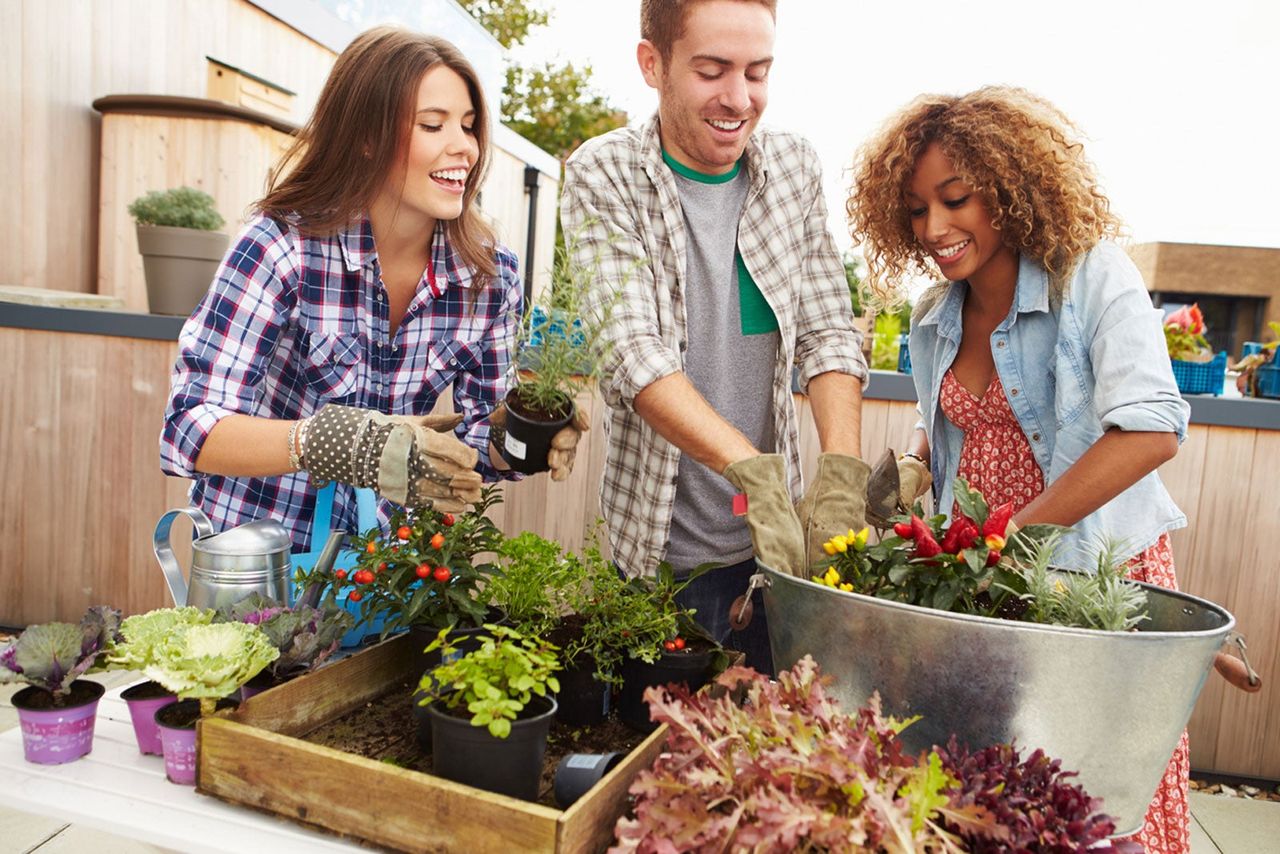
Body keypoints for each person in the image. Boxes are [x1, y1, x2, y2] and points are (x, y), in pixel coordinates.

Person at [848, 86, 1191, 853]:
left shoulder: (1092, 276)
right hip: (987, 587)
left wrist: (1013, 538)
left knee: (1089, 803)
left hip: (1085, 581)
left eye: (956, 198)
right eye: (914, 209)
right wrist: (910, 494)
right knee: (994, 798)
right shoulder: (936, 315)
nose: (934, 227)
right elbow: (947, 447)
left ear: (1009, 186)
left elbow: (1153, 428)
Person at [161, 26, 584, 552]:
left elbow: (474, 444)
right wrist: (329, 441)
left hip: (381, 573)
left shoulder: (488, 278)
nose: (465, 148)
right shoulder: (281, 247)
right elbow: (192, 426)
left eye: (470, 126)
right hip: (257, 567)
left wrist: (520, 439)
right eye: (433, 124)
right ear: (365, 137)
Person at [560, 0, 870, 675]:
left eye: (758, 72)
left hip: (780, 557)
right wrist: (752, 474)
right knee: (666, 761)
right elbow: (632, 355)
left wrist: (842, 474)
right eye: (712, 71)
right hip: (664, 559)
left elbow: (826, 330)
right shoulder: (604, 173)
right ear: (653, 64)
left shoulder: (791, 168)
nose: (739, 98)